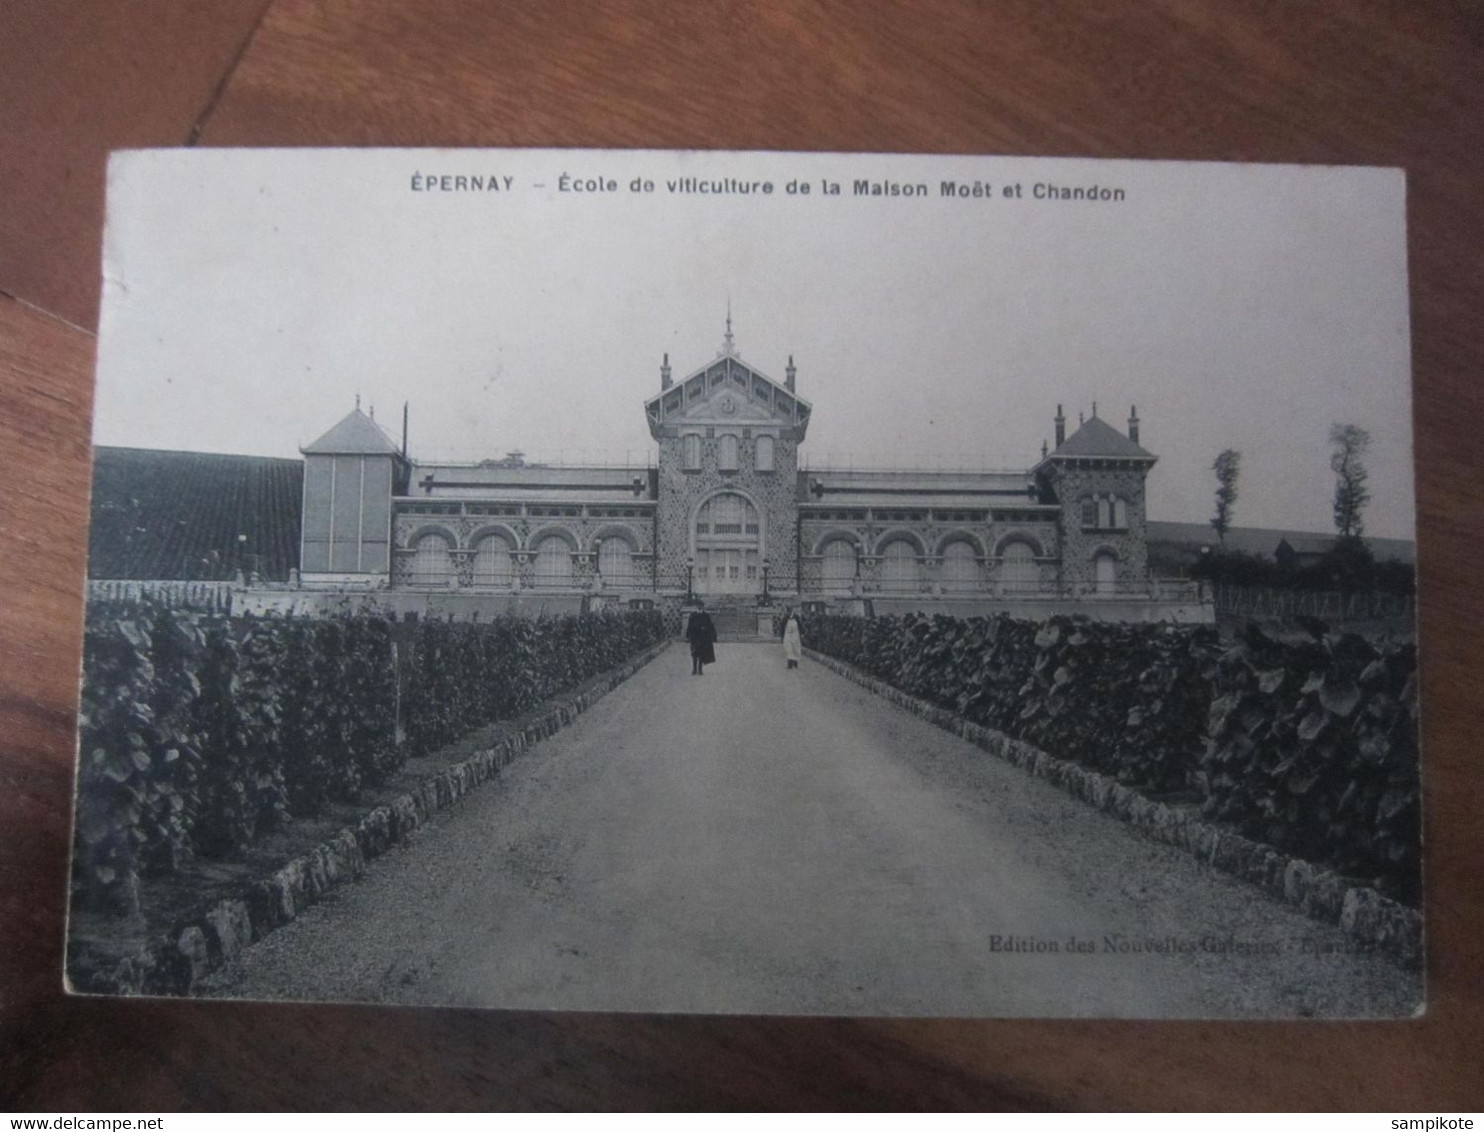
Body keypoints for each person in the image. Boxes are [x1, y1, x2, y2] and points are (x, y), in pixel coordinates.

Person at [686, 600, 717, 675]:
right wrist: (688, 635)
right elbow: (689, 625)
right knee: (694, 653)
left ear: (703, 606)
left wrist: (713, 635)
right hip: (695, 637)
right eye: (699, 605)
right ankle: (694, 669)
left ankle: (700, 669)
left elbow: (709, 625)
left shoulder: (706, 615)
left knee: (701, 654)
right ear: (697, 606)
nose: (700, 607)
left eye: (701, 605)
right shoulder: (693, 615)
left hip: (703, 637)